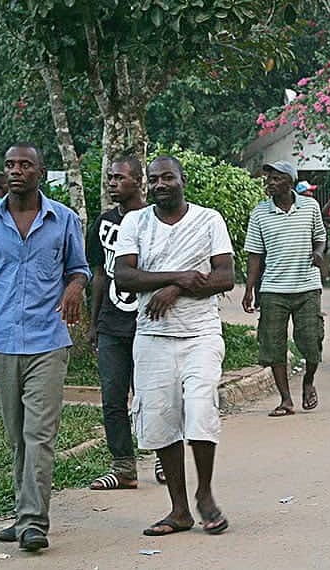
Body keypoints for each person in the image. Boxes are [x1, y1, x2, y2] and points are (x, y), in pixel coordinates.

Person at [0, 143, 89, 551]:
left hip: (48, 340)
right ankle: (22, 513)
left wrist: (74, 289)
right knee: (18, 437)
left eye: (25, 165)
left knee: (39, 435)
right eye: (10, 164)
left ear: (40, 173)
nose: (16, 170)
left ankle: (33, 522)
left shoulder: (63, 219)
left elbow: (79, 269)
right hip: (1, 340)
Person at [114, 155, 234, 537]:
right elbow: (124, 275)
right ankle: (179, 510)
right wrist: (180, 275)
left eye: (168, 177)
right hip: (152, 338)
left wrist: (176, 287)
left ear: (183, 180)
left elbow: (225, 276)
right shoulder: (135, 221)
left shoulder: (209, 219)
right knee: (162, 420)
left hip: (201, 334)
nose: (160, 184)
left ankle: (206, 495)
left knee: (200, 410)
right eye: (154, 179)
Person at [243, 161, 327, 418]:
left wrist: (318, 253)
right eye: (268, 179)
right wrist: (249, 290)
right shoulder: (260, 213)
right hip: (273, 290)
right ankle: (286, 399)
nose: (270, 183)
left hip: (307, 286)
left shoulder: (310, 207)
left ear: (290, 182)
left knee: (312, 342)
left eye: (276, 179)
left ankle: (308, 380)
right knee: (273, 346)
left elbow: (321, 238)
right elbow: (255, 255)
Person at [85, 157, 148, 490]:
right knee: (112, 397)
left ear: (139, 180)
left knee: (153, 395)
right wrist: (93, 323)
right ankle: (123, 466)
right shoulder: (103, 222)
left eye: (119, 178)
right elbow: (98, 274)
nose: (111, 183)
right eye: (109, 178)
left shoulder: (154, 219)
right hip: (112, 323)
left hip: (148, 322)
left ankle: (166, 458)